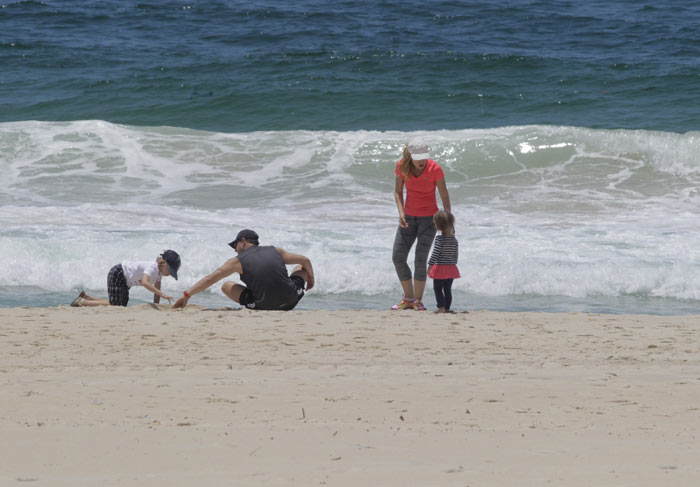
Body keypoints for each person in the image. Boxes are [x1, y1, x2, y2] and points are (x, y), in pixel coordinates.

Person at [173, 229, 314, 310]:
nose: (235, 249)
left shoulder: (236, 261)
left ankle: (257, 301)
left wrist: (187, 295)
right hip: (291, 301)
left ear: (244, 241)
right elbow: (305, 260)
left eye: (235, 245)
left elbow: (210, 278)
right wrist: (311, 280)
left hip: (263, 306)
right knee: (300, 268)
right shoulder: (275, 250)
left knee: (226, 285)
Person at [392, 141, 451, 311]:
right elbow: (397, 191)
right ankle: (408, 298)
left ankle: (418, 301)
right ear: (410, 156)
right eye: (418, 158)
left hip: (429, 220)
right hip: (408, 218)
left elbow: (444, 195)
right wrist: (401, 213)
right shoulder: (402, 166)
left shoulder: (435, 169)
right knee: (398, 257)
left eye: (424, 158)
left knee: (420, 259)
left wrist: (447, 221)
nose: (421, 161)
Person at [71, 250, 181, 307]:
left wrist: (157, 305)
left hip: (124, 280)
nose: (169, 274)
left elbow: (157, 292)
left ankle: (87, 298)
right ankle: (83, 302)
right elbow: (145, 282)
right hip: (118, 274)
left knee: (119, 303)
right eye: (170, 271)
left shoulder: (159, 273)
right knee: (117, 305)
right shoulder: (152, 267)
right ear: (164, 263)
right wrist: (164, 295)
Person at [428, 210, 460, 313]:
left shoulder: (439, 239)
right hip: (451, 268)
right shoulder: (454, 240)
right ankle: (447, 308)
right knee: (447, 289)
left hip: (440, 268)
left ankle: (441, 307)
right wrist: (452, 263)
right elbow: (455, 255)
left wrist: (430, 265)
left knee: (437, 288)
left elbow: (435, 253)